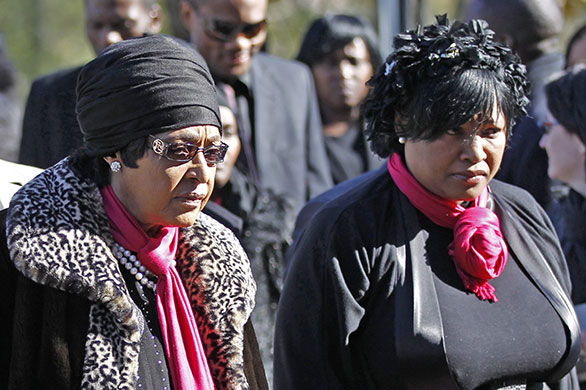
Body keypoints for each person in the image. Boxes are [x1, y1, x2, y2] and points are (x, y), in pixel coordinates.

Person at [274, 16, 581, 390]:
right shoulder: (346, 230)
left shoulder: (524, 214)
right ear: (403, 122)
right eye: (453, 129)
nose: (474, 152)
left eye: (490, 132)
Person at [0, 34, 267, 390]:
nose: (204, 171)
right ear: (116, 153)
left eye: (213, 151)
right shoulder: (31, 253)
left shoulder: (217, 265)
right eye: (179, 150)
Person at [179, 0, 333, 217]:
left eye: (253, 29)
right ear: (187, 15)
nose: (239, 43)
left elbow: (318, 188)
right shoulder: (169, 84)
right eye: (222, 29)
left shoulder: (294, 80)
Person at [210, 92, 295, 386]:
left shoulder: (272, 214)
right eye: (208, 135)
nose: (218, 147)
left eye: (229, 133)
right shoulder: (170, 223)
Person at [19, 0, 163, 169]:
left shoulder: (181, 91)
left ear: (154, 19)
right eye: (97, 25)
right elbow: (29, 181)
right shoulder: (49, 95)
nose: (109, 38)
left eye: (122, 25)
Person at [467, 0, 565, 209]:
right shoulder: (567, 95)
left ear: (505, 44)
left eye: (474, 37)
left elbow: (541, 227)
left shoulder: (537, 120)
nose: (467, 49)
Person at [296, 13, 382, 185]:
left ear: (373, 67)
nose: (343, 73)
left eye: (354, 62)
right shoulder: (291, 138)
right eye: (331, 62)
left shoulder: (391, 137)